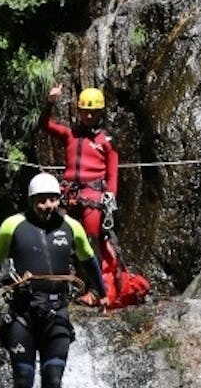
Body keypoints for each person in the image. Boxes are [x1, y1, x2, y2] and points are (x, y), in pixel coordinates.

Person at [0, 172, 107, 388]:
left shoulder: (71, 226)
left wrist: (102, 292)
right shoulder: (13, 225)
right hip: (22, 314)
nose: (48, 205)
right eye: (42, 200)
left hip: (57, 313)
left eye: (53, 199)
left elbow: (90, 261)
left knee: (53, 381)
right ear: (31, 200)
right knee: (23, 381)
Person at [41, 85, 119, 306]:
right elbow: (44, 125)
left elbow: (113, 173)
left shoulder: (106, 142)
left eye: (93, 111)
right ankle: (61, 285)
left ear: (101, 112)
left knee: (90, 241)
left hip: (93, 196)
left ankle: (95, 290)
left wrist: (110, 198)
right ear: (79, 111)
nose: (89, 115)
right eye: (85, 111)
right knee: (58, 237)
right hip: (67, 194)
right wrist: (50, 102)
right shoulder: (70, 134)